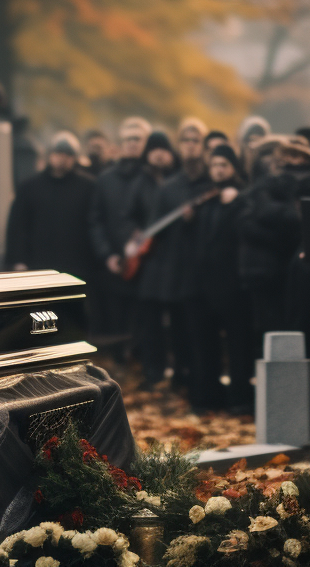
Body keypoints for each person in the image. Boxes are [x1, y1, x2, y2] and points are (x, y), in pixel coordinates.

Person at [135, 122, 210, 386]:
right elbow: (156, 231)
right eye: (186, 140)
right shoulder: (170, 187)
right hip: (177, 268)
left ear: (203, 145)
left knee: (202, 332)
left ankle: (199, 378)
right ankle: (180, 375)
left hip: (206, 268)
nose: (190, 144)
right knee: (178, 328)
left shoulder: (212, 181)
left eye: (196, 140)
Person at [237, 139, 310, 336]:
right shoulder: (268, 186)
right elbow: (250, 220)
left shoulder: (306, 185)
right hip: (269, 267)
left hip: (293, 267)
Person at [190, 144, 251, 410]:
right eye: (214, 165)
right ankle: (209, 397)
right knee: (206, 345)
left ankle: (239, 398)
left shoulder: (243, 197)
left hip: (232, 284)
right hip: (203, 286)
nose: (218, 170)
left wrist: (236, 201)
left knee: (238, 345)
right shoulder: (205, 198)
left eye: (223, 165)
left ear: (233, 168)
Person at [7, 132, 98, 287]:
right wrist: (18, 260)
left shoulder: (88, 187)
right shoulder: (30, 187)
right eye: (58, 153)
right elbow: (18, 226)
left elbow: (95, 225)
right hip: (38, 267)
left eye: (68, 154)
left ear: (74, 158)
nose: (62, 158)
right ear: (49, 155)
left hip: (77, 268)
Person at [89, 117, 151, 345]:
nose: (132, 143)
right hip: (115, 266)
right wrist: (107, 255)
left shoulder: (153, 177)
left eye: (137, 139)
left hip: (148, 265)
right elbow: (96, 221)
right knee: (116, 328)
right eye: (128, 139)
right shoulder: (106, 179)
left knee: (145, 329)